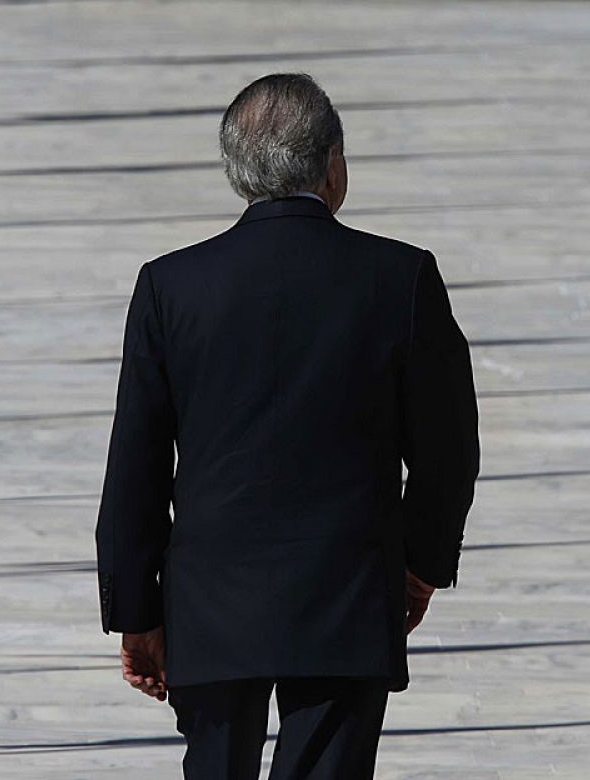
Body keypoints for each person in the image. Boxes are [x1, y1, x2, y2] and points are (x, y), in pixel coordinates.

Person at [95, 73, 480, 780]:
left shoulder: (171, 286)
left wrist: (136, 610)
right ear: (333, 165)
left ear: (237, 173)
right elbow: (447, 451)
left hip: (210, 602)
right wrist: (420, 566)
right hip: (347, 593)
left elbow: (135, 468)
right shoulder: (400, 278)